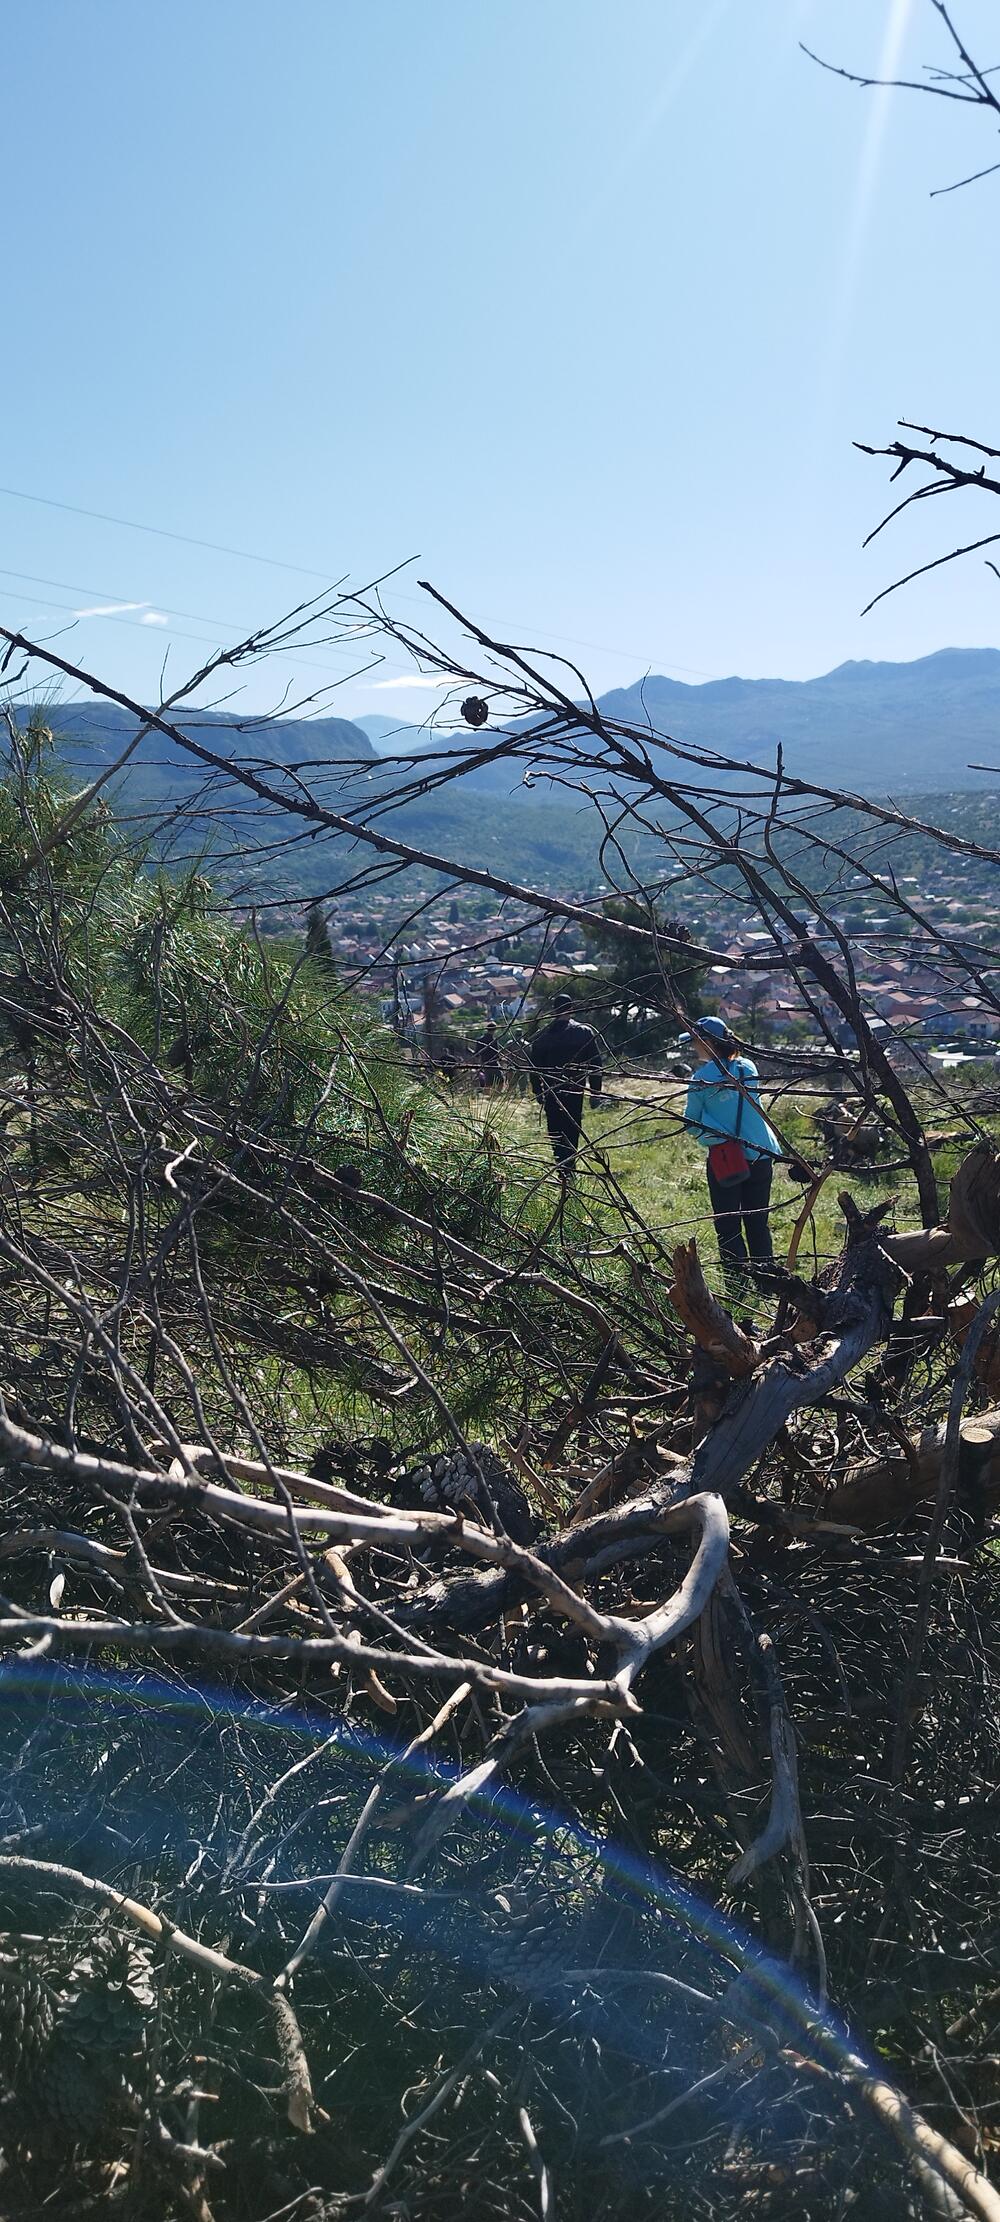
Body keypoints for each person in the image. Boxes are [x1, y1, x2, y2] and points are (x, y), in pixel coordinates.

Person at [681, 1016, 781, 1288]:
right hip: (761, 1153)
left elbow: (691, 1124)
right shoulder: (747, 1067)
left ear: (709, 1042)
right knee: (758, 1222)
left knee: (727, 1226)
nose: (693, 1046)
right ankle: (767, 1283)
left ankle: (736, 1284)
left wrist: (716, 1133)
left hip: (727, 1160)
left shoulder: (700, 1079)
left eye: (695, 1041)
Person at [528, 993, 602, 1174]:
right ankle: (569, 1167)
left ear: (554, 1010)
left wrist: (538, 1091)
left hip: (552, 1091)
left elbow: (534, 1069)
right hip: (575, 1089)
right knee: (572, 1128)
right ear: (571, 1008)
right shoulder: (584, 1032)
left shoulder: (542, 1037)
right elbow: (595, 1063)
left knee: (555, 1129)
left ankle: (561, 1166)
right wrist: (595, 1091)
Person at [476, 1020, 502, 1088]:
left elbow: (477, 1054)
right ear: (494, 1030)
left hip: (485, 1064)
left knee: (488, 1084)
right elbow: (497, 1053)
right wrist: (501, 1060)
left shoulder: (480, 1040)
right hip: (494, 1064)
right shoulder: (494, 1040)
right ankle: (496, 1096)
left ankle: (487, 1097)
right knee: (501, 1081)